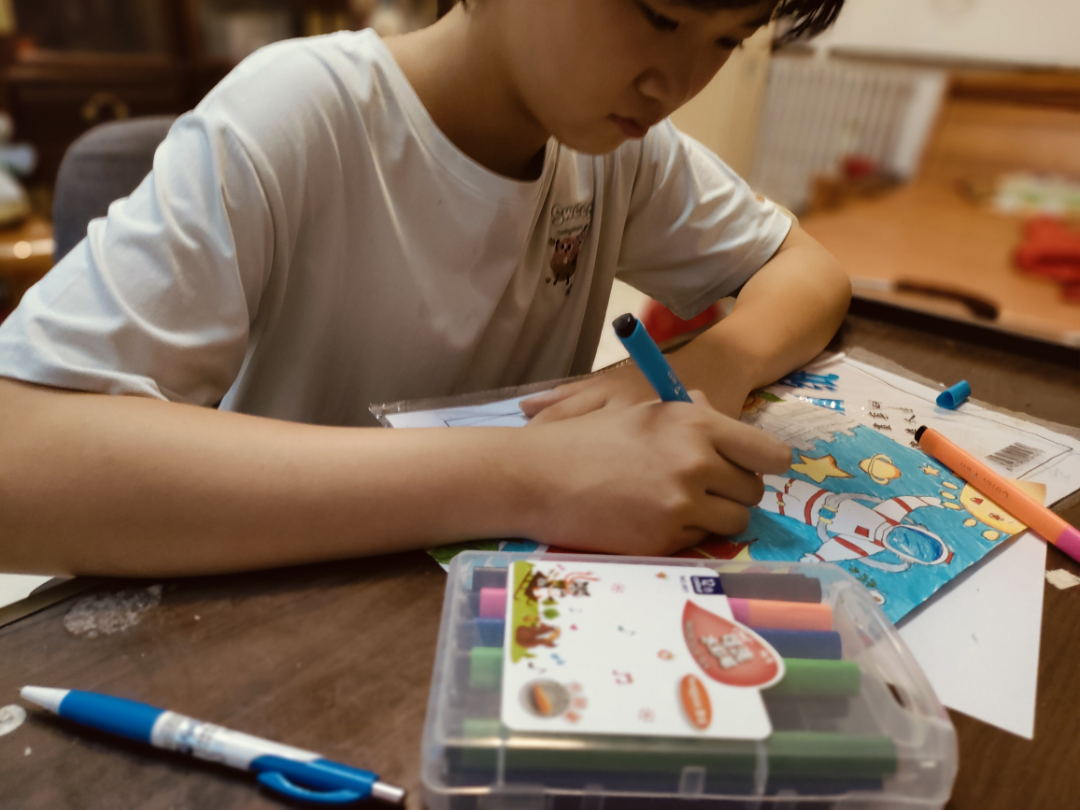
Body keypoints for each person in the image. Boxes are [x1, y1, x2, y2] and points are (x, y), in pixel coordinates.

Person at [0, 0, 851, 577]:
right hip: (276, 610)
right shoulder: (298, 112)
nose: (676, 84)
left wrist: (709, 367)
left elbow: (808, 271)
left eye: (726, 40)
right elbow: (19, 460)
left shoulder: (622, 154)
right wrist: (529, 477)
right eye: (659, 15)